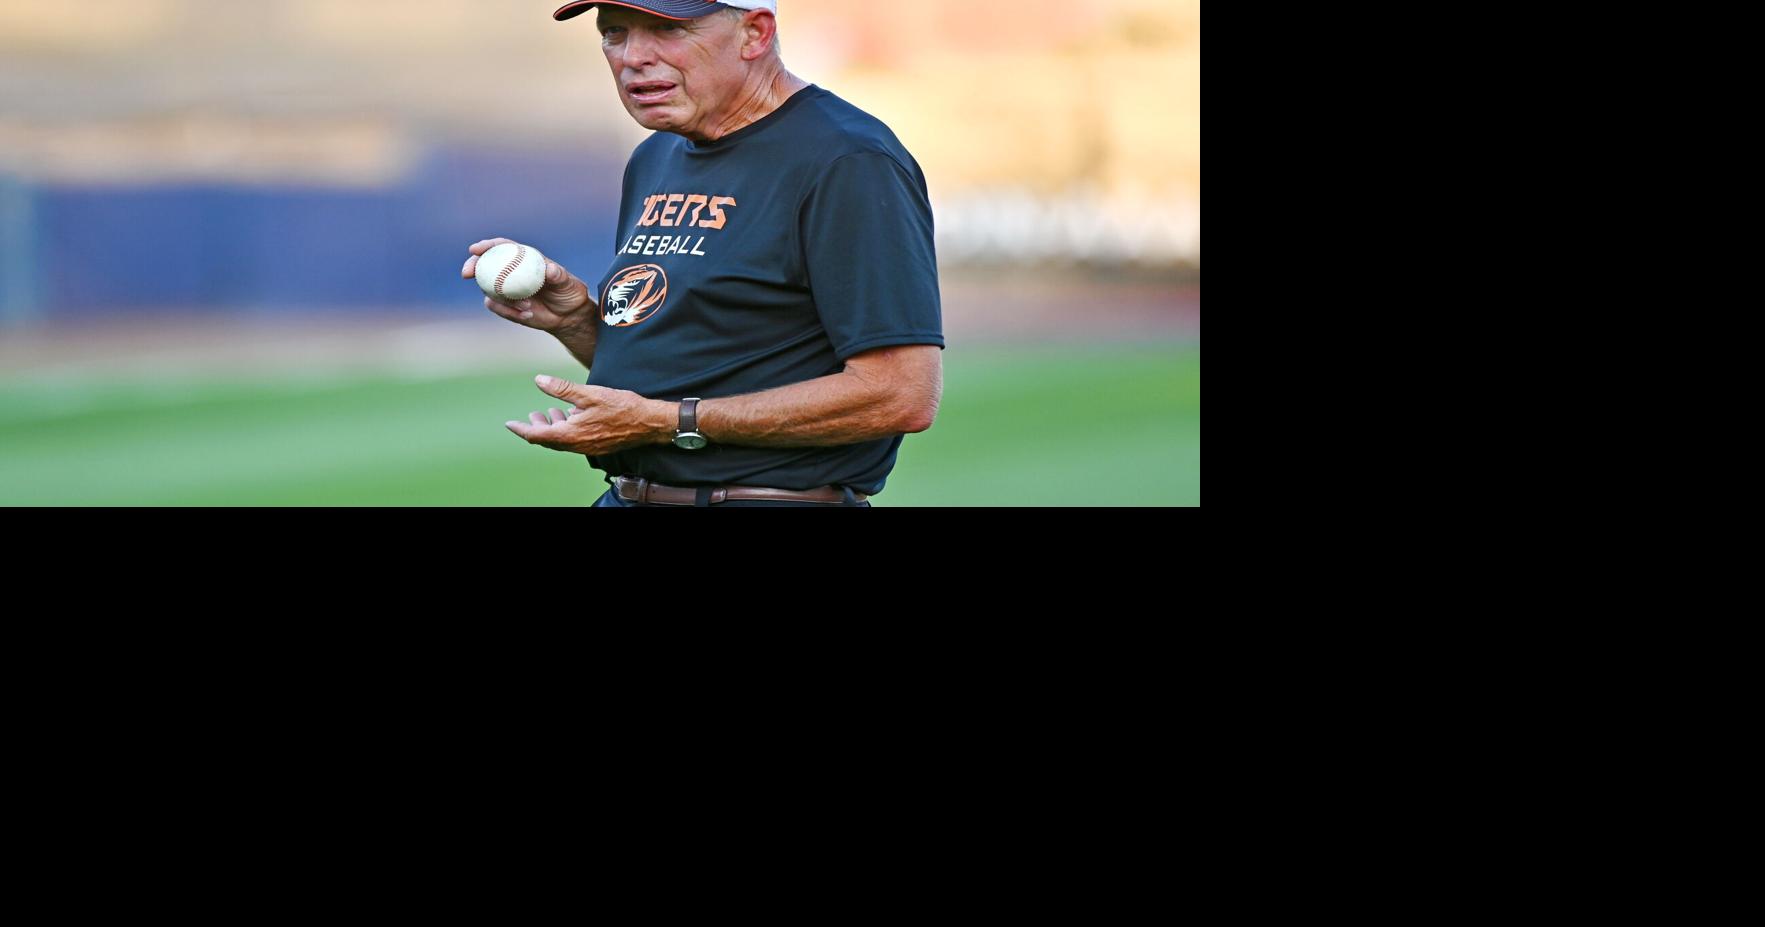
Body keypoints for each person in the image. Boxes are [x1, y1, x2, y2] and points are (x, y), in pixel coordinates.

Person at [460, 0, 945, 507]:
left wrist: (671, 423)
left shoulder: (845, 159)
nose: (633, 56)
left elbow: (900, 395)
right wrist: (576, 319)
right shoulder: (658, 154)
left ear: (754, 33)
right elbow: (685, 370)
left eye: (668, 29)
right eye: (615, 32)